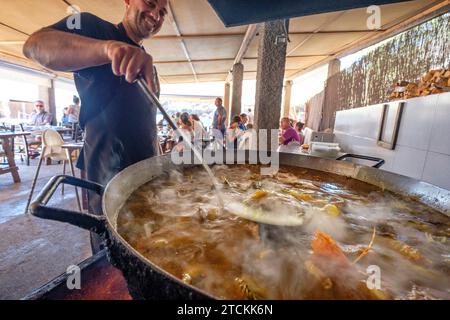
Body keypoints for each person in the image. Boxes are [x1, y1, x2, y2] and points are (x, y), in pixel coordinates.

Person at [23, 0, 168, 252]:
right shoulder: (93, 27)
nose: (156, 14)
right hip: (106, 172)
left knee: (149, 247)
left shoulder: (148, 65)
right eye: (151, 3)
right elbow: (34, 45)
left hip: (146, 175)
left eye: (163, 12)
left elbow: (147, 123)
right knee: (113, 251)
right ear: (128, 1)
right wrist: (108, 49)